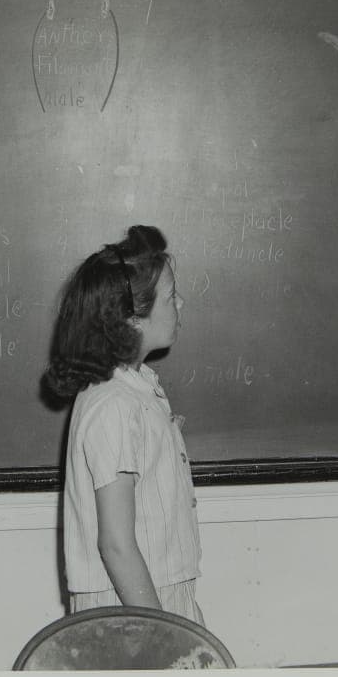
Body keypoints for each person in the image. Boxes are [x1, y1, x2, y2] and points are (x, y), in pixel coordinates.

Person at [43, 225, 204, 624]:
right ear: (133, 319)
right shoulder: (112, 404)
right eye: (170, 297)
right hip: (130, 610)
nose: (180, 303)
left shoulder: (135, 389)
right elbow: (115, 545)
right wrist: (161, 633)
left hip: (154, 592)